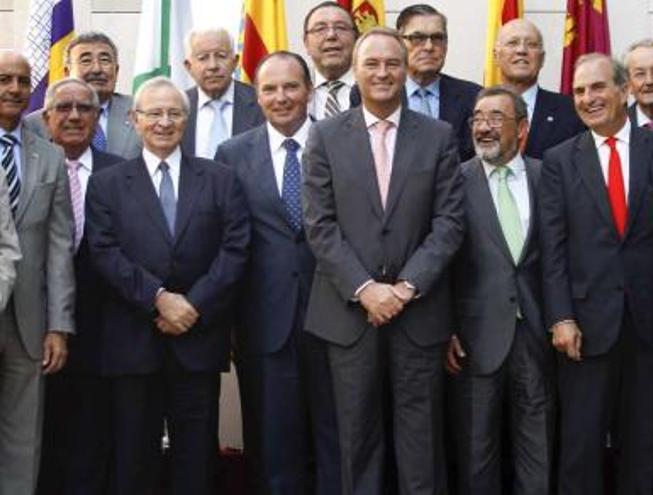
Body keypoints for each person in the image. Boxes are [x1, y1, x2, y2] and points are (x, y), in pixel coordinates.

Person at [302, 27, 464, 494]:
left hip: (419, 314)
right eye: (371, 63)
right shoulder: (326, 136)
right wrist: (366, 289)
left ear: (406, 67)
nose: (382, 72)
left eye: (392, 63)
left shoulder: (437, 136)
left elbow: (449, 223)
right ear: (355, 70)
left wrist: (407, 287)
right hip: (350, 316)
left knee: (421, 444)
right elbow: (320, 224)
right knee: (358, 440)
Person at [540, 53, 653, 494]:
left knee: (644, 447)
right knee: (581, 448)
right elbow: (552, 250)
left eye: (598, 88)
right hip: (585, 331)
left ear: (624, 90)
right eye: (579, 91)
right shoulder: (559, 160)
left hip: (651, 327)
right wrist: (561, 317)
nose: (588, 98)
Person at [85, 76, 249, 495]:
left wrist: (191, 305)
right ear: (134, 120)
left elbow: (235, 249)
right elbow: (104, 253)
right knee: (133, 459)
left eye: (174, 113)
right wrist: (159, 299)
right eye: (153, 113)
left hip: (197, 340)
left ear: (186, 119)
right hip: (133, 342)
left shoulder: (220, 178)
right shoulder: (106, 183)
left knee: (196, 460)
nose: (164, 122)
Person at [214, 51, 340, 495]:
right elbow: (228, 243)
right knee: (272, 444)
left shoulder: (340, 142)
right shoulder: (231, 153)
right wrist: (227, 321)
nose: (281, 97)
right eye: (269, 88)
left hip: (336, 319)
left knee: (335, 439)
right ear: (257, 95)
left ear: (309, 90)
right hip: (263, 323)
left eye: (291, 87)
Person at [446, 86, 551, 493]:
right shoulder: (454, 181)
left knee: (537, 448)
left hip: (537, 335)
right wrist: (446, 328)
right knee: (477, 454)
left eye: (495, 118)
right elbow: (443, 261)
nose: (484, 127)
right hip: (474, 338)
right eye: (478, 118)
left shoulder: (549, 176)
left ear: (522, 129)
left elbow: (560, 260)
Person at [37, 77, 126, 495]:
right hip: (34, 323)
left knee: (93, 433)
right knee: (39, 429)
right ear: (46, 116)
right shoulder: (29, 166)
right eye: (64, 107)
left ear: (97, 117)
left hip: (103, 327)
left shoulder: (121, 172)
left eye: (85, 109)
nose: (74, 116)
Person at [0, 50, 72, 495]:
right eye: (3, 79)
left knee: (23, 432)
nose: (13, 89)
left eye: (23, 81)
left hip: (30, 320)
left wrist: (59, 324)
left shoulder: (50, 156)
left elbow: (60, 245)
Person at [24, 31, 142, 159]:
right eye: (86, 61)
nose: (97, 69)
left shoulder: (142, 112)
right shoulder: (34, 124)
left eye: (104, 60)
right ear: (67, 72)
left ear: (116, 70)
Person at [397, 4, 481, 161]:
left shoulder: (473, 96)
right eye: (418, 38)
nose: (429, 47)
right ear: (399, 43)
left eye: (437, 38)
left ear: (446, 44)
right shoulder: (380, 95)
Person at [494, 19, 583, 159]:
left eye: (531, 44)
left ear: (542, 59)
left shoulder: (572, 111)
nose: (521, 50)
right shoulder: (475, 108)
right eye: (512, 43)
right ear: (496, 56)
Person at [182, 27, 264, 158]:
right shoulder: (177, 108)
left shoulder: (261, 102)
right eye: (203, 58)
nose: (213, 66)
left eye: (221, 56)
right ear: (188, 66)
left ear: (235, 62)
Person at [304, 2, 361, 120]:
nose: (331, 35)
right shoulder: (294, 90)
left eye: (340, 27)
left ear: (356, 39)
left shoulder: (374, 86)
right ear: (306, 44)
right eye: (320, 29)